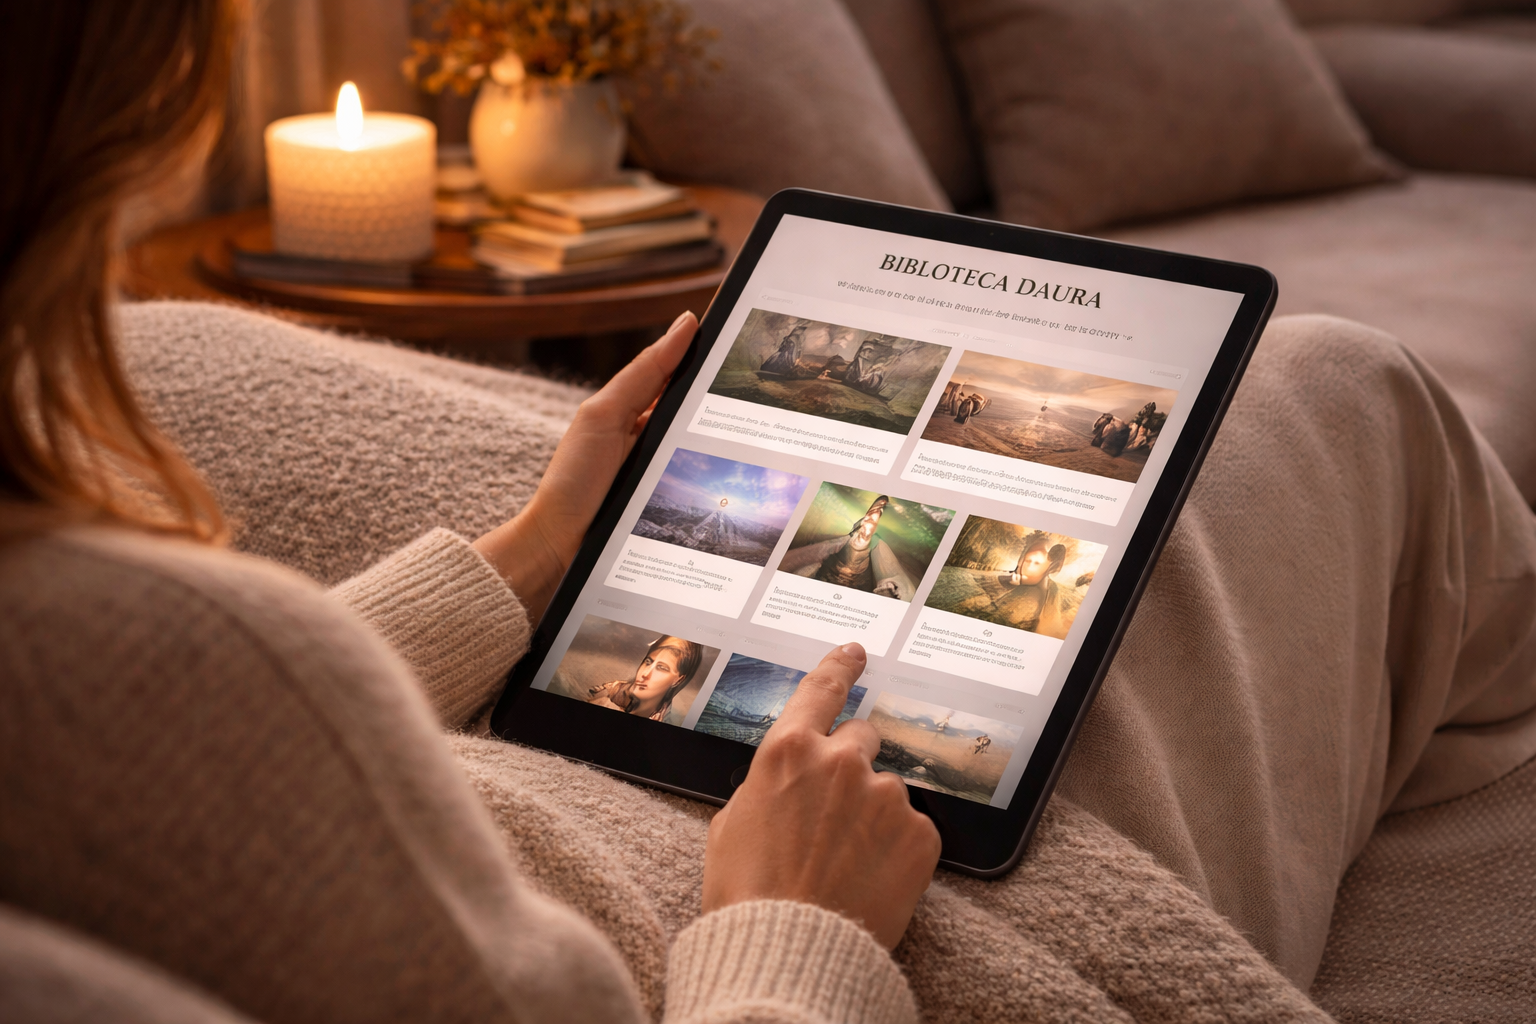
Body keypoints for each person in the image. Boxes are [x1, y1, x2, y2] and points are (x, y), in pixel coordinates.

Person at [6, 2, 1536, 1021]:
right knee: (1352, 399)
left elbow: (181, 758)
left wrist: (527, 560)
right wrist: (800, 930)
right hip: (767, 914)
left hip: (557, 781)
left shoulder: (116, 670)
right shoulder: (137, 658)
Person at [586, 635, 703, 721]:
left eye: (661, 667)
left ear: (679, 680)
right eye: (648, 662)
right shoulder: (606, 699)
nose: (645, 674)